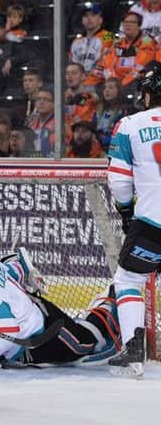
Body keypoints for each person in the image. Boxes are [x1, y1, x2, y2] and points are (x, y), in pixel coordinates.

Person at [0, 244, 120, 375]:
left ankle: (111, 303)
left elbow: (5, 331)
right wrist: (27, 271)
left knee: (89, 344)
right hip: (38, 310)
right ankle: (103, 307)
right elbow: (15, 268)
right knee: (81, 331)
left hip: (41, 339)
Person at [106, 62, 161, 378]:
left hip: (152, 220)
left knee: (129, 279)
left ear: (146, 95)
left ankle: (133, 352)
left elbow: (119, 180)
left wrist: (126, 213)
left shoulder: (130, 124)